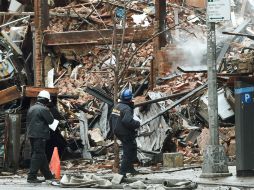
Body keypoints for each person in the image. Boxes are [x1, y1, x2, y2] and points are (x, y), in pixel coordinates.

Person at [110, 88, 141, 176]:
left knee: (132, 147)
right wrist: (137, 124)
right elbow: (127, 121)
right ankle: (122, 172)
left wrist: (112, 130)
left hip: (118, 131)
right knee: (128, 151)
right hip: (125, 132)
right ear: (130, 98)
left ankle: (130, 168)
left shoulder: (117, 106)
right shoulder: (127, 108)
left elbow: (110, 119)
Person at [26, 90, 55, 183]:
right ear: (46, 100)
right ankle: (31, 177)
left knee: (41, 155)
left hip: (32, 134)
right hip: (40, 135)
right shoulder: (43, 109)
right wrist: (50, 110)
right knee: (38, 154)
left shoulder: (32, 108)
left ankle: (48, 176)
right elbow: (51, 121)